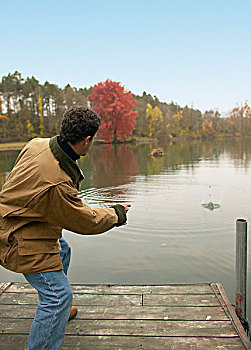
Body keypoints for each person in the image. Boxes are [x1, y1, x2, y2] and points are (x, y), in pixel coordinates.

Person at [0, 106, 131, 350]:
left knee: (63, 249)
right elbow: (84, 220)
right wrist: (116, 213)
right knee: (59, 296)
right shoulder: (57, 182)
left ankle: (56, 313)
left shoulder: (37, 144)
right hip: (14, 237)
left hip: (18, 219)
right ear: (87, 140)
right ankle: (54, 309)